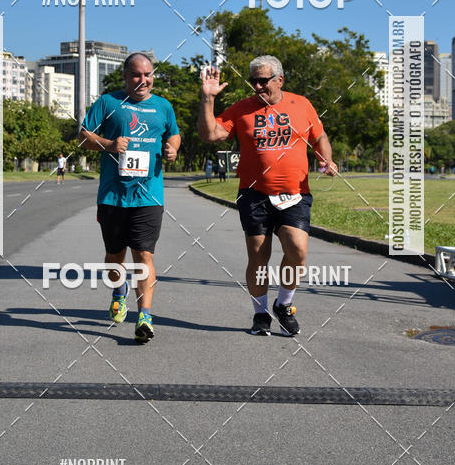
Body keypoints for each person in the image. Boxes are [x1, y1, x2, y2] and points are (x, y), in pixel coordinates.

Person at [198, 55, 336, 337]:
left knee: (297, 249)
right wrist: (207, 99)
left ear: (280, 80)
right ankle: (260, 313)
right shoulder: (241, 109)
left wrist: (326, 159)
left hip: (295, 192)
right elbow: (210, 135)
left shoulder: (302, 104)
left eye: (264, 80)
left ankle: (283, 304)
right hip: (254, 194)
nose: (258, 86)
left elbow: (319, 137)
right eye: (254, 81)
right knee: (259, 258)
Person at [79, 53, 181, 342]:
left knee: (144, 255)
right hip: (113, 196)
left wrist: (173, 147)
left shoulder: (163, 106)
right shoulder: (108, 103)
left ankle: (145, 316)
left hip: (149, 196)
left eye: (148, 74)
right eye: (137, 75)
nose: (143, 80)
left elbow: (174, 134)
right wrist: (110, 144)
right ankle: (118, 290)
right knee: (115, 257)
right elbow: (84, 136)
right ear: (125, 76)